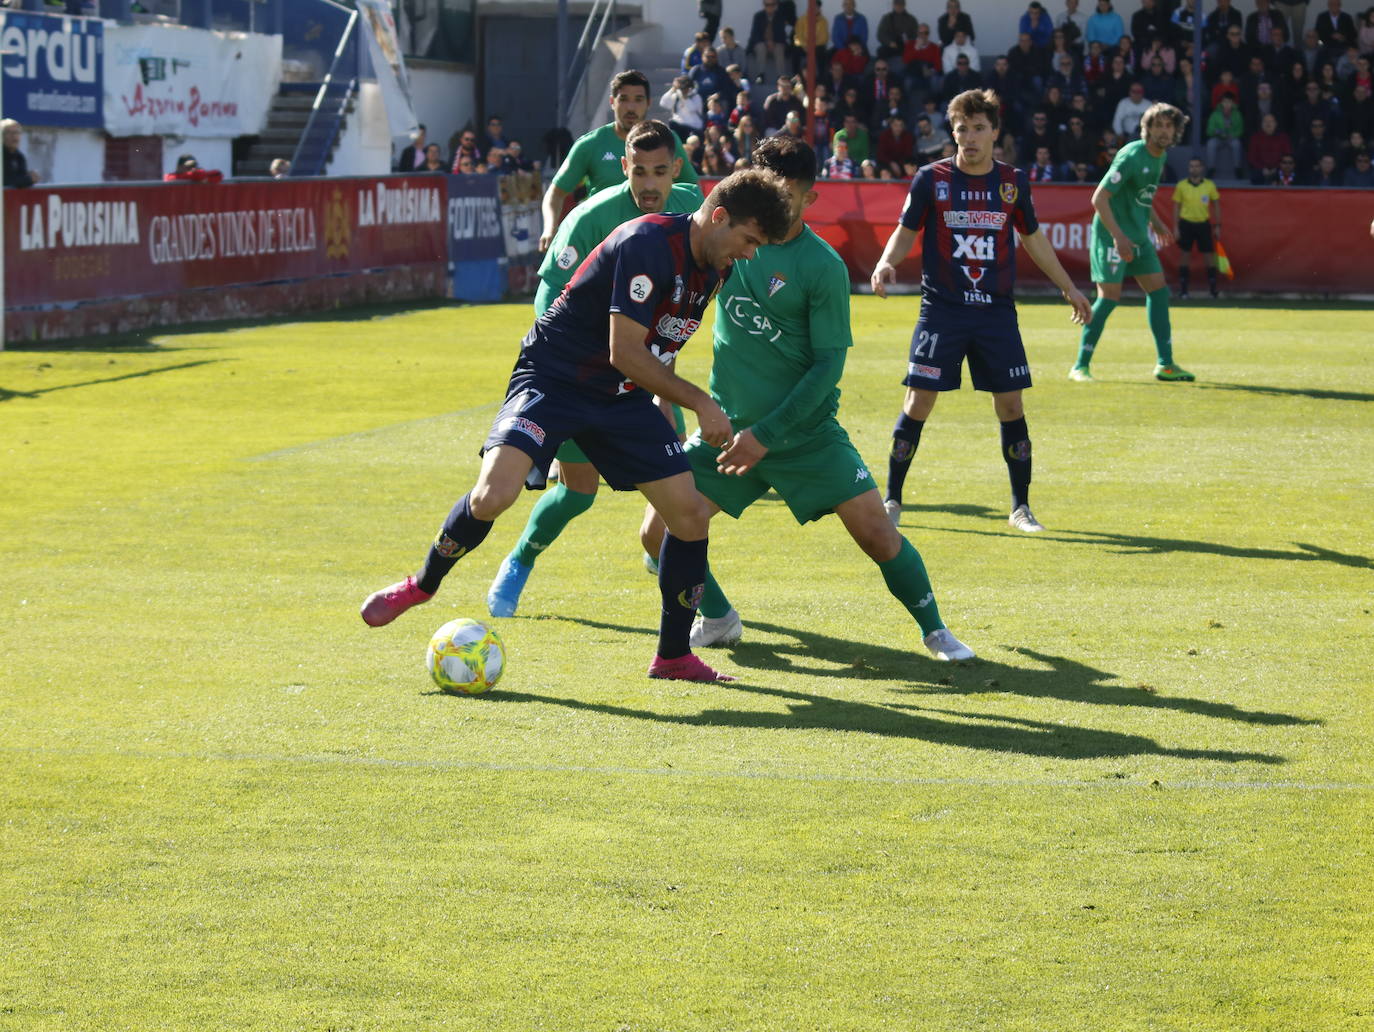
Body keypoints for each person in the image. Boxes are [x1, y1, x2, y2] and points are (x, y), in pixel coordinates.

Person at [361, 169, 793, 684]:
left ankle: (673, 656)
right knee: (493, 496)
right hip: (554, 378)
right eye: (748, 240)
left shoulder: (712, 267)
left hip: (620, 396)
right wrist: (700, 402)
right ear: (719, 216)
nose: (749, 254)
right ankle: (421, 585)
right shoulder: (646, 244)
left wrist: (666, 402)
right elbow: (625, 348)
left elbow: (660, 343)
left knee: (690, 514)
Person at [639, 135, 977, 662]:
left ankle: (935, 631)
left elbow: (827, 368)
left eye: (787, 194)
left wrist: (767, 436)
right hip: (728, 433)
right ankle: (720, 616)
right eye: (764, 190)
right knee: (656, 530)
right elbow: (656, 181)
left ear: (810, 198)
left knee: (877, 535)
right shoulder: (722, 227)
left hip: (805, 436)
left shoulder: (822, 267)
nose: (772, 205)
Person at [487, 121, 709, 617]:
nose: (650, 184)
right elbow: (550, 308)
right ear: (623, 166)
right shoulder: (592, 218)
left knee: (680, 490)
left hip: (650, 372)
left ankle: (698, 601)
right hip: (582, 378)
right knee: (580, 491)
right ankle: (521, 560)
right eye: (640, 172)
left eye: (660, 172)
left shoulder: (695, 209)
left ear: (676, 168)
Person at [870, 88, 1092, 535]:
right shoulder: (931, 178)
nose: (968, 138)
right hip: (942, 311)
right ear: (952, 132)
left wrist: (1068, 287)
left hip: (995, 313)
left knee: (1010, 404)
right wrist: (886, 261)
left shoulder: (1012, 182)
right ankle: (892, 499)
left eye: (978, 129)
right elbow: (905, 230)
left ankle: (1020, 507)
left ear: (995, 132)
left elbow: (1033, 238)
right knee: (918, 401)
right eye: (961, 129)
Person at [1070, 102, 1195, 384]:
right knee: (1109, 298)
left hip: (1138, 236)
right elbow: (1099, 198)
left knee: (1159, 292)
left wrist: (1156, 222)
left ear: (1175, 131)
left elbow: (1140, 196)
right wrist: (1118, 237)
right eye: (1158, 125)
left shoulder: (1159, 157)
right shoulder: (1131, 156)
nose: (1164, 131)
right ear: (1147, 128)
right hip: (1112, 237)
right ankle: (1080, 365)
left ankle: (1166, 364)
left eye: (1169, 126)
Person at [539, 71, 699, 252]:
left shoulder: (668, 141)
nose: (631, 107)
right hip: (602, 247)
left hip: (656, 244)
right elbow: (555, 193)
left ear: (648, 103)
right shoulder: (590, 145)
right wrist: (549, 228)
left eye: (638, 99)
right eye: (623, 99)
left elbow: (692, 191)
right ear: (612, 102)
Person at [1172, 157, 1221, 299]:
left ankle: (1213, 290)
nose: (1194, 168)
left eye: (1197, 166)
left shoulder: (1209, 185)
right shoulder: (1181, 185)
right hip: (1186, 224)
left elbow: (1216, 205)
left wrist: (1217, 226)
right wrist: (1175, 227)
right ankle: (1184, 291)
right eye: (1192, 166)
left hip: (1203, 224)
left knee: (1209, 257)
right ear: (1189, 168)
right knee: (1184, 255)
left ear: (1202, 168)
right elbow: (1176, 206)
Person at [2, 119, 37, 188]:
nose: (14, 136)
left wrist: (29, 177)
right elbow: (6, 182)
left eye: (17, 133)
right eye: (9, 133)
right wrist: (29, 179)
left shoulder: (19, 157)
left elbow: (20, 181)